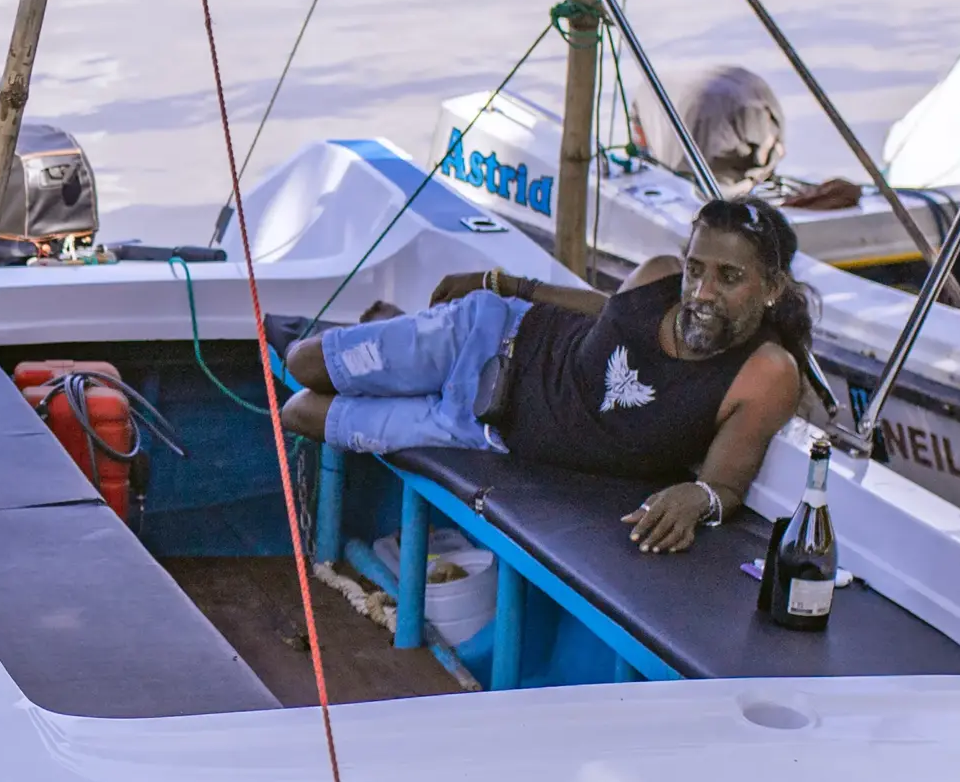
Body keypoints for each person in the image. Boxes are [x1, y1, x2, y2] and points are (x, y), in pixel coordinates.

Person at [277, 197, 813, 554]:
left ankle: (394, 339)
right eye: (697, 268)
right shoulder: (659, 277)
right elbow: (606, 311)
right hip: (487, 334)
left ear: (771, 289)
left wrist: (698, 501)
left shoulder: (765, 373)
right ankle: (401, 336)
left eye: (729, 277)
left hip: (482, 429)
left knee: (300, 411)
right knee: (303, 363)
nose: (701, 292)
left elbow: (723, 484)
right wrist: (503, 283)